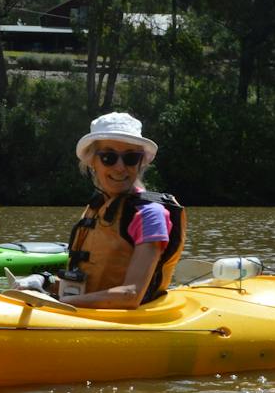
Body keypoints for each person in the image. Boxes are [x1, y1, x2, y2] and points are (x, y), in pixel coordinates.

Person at [54, 112, 185, 308]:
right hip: (88, 312)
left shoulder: (150, 215)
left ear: (140, 162)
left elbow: (131, 295)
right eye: (109, 157)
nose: (120, 167)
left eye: (131, 158)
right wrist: (45, 283)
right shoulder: (98, 207)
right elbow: (88, 283)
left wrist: (61, 304)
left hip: (127, 322)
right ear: (92, 161)